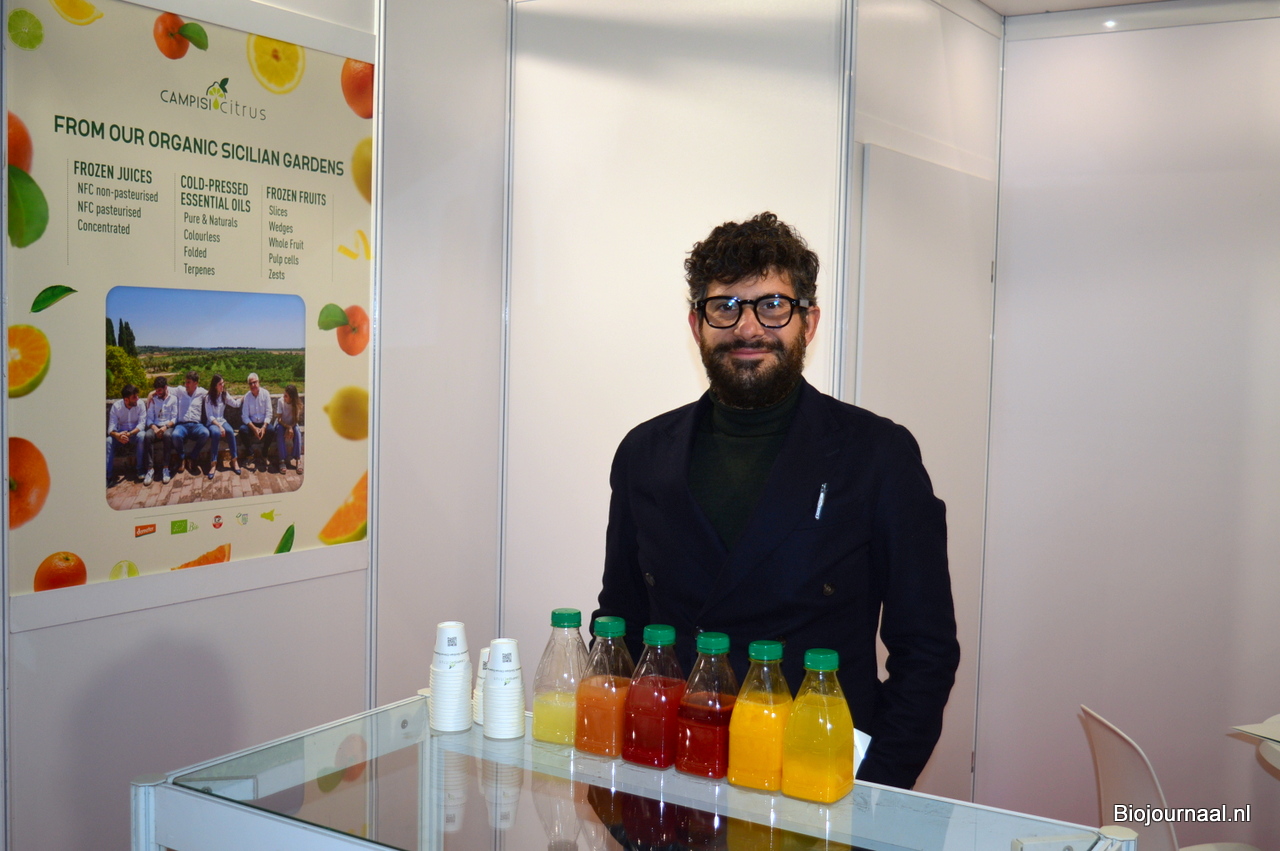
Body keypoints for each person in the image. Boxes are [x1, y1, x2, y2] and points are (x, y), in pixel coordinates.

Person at [593, 212, 959, 790]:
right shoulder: (643, 452)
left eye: (772, 306)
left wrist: (873, 791)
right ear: (696, 324)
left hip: (814, 781)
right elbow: (620, 623)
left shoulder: (878, 455)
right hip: (670, 773)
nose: (748, 328)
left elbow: (926, 650)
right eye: (724, 306)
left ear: (808, 322)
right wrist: (619, 775)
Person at [203, 373, 242, 479]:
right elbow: (210, 416)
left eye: (223, 383)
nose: (222, 385)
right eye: (220, 384)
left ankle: (234, 460)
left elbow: (235, 404)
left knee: (230, 432)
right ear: (215, 385)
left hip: (222, 420)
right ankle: (213, 463)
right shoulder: (208, 398)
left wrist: (244, 398)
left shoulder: (224, 394)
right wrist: (220, 426)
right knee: (216, 433)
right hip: (212, 423)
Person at [106, 384, 146, 486]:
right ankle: (108, 476)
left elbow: (142, 424)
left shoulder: (140, 404)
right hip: (120, 434)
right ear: (126, 400)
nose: (137, 399)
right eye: (134, 397)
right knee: (108, 441)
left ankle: (140, 469)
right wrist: (117, 435)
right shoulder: (116, 407)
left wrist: (130, 433)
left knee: (142, 436)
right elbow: (111, 428)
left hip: (134, 433)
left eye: (137, 396)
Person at [171, 370, 210, 477]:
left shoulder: (201, 392)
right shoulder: (180, 391)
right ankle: (182, 458)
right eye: (186, 382)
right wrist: (151, 394)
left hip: (196, 425)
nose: (186, 385)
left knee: (205, 433)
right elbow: (164, 389)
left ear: (195, 383)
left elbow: (214, 393)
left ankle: (192, 457)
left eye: (188, 382)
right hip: (182, 425)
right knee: (175, 435)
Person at [144, 376, 179, 485]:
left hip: (168, 426)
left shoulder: (173, 399)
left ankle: (166, 467)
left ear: (165, 388)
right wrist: (155, 428)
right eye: (156, 390)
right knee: (147, 436)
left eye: (160, 390)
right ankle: (150, 469)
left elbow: (174, 418)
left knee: (167, 436)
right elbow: (149, 418)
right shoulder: (153, 400)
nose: (158, 392)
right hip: (155, 426)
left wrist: (165, 427)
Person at [238, 372, 274, 470]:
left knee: (271, 430)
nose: (253, 385)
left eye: (255, 382)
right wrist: (254, 428)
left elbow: (269, 412)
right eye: (251, 383)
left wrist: (264, 427)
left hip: (263, 423)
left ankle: (264, 454)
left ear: (259, 382)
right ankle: (250, 454)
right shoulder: (247, 397)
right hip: (252, 424)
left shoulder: (265, 394)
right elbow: (245, 416)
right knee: (242, 430)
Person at [274, 384, 304, 471]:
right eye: (284, 394)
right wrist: (288, 427)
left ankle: (298, 459)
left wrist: (291, 427)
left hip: (292, 424)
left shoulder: (296, 404)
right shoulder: (280, 401)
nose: (284, 397)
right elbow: (279, 419)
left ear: (291, 398)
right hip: (281, 424)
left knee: (297, 432)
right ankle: (282, 460)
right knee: (280, 431)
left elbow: (296, 420)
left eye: (286, 396)